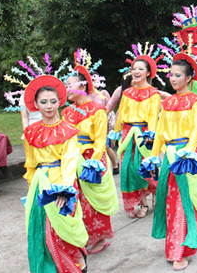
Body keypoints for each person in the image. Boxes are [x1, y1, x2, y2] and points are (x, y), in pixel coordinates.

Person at [142, 54, 197, 271]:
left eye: (178, 75)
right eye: (171, 74)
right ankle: (175, 244)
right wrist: (153, 155)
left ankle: (181, 250)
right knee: (170, 203)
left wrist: (187, 153)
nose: (173, 78)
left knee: (185, 202)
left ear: (189, 78)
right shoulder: (167, 102)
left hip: (186, 159)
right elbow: (159, 132)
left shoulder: (196, 101)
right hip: (170, 157)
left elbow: (196, 130)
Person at [22, 75, 88, 273]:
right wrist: (31, 192)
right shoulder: (31, 132)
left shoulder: (67, 130)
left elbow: (69, 163)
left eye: (53, 101)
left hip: (61, 184)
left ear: (60, 102)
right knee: (42, 229)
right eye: (43, 102)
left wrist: (64, 191)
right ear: (35, 105)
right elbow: (31, 164)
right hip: (40, 185)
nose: (49, 106)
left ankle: (77, 265)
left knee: (63, 228)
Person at [62, 62, 119, 255]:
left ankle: (100, 237)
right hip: (72, 159)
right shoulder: (67, 112)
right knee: (77, 200)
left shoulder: (96, 109)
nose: (67, 89)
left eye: (71, 84)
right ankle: (83, 235)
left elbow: (100, 140)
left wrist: (92, 163)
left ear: (83, 86)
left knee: (92, 201)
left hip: (91, 160)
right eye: (66, 85)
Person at [114, 54, 162, 219]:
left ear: (148, 73)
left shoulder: (153, 94)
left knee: (146, 168)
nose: (136, 71)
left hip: (144, 133)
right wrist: (116, 131)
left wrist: (151, 136)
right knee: (130, 168)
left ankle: (155, 193)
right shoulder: (127, 93)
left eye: (141, 69)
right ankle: (143, 202)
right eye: (134, 68)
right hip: (128, 134)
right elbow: (121, 115)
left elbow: (153, 116)